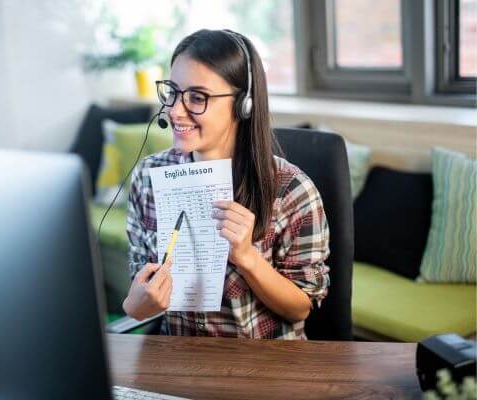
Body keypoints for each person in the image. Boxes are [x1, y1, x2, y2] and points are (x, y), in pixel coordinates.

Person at [122, 29, 330, 339]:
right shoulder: (147, 177)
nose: (175, 111)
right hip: (182, 361)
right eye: (172, 92)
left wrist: (247, 257)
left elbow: (300, 307)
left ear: (243, 104)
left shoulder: (292, 190)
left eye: (197, 97)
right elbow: (140, 292)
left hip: (265, 365)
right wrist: (136, 306)